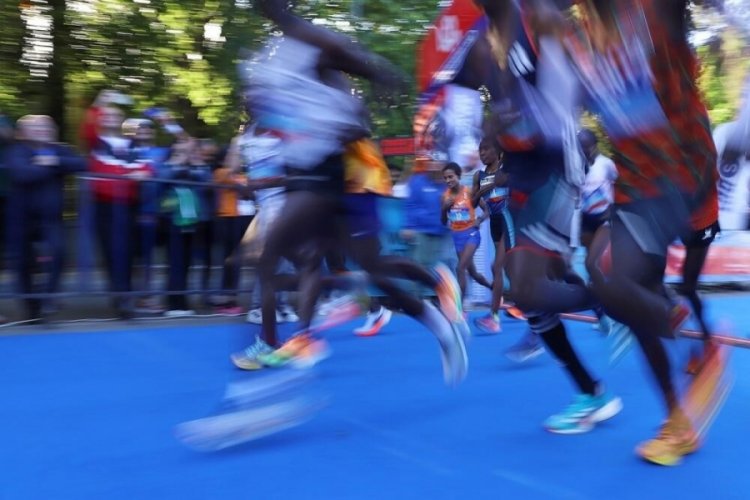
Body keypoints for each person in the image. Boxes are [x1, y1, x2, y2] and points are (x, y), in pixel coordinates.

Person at [233, 0, 467, 384]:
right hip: (314, 179)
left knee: (270, 254)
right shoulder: (277, 54)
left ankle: (273, 344)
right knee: (368, 269)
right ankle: (440, 328)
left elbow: (353, 72)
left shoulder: (309, 39)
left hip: (337, 177)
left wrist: (383, 77)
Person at [571, 0, 729, 465]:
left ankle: (697, 341)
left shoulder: (648, 10)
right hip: (637, 185)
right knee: (620, 290)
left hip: (685, 173)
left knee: (624, 281)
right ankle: (678, 421)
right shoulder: (576, 40)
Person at [5, 115, 86, 320]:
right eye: (36, 127)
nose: (43, 129)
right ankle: (32, 308)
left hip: (51, 217)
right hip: (20, 218)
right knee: (23, 263)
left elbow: (82, 163)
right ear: (23, 133)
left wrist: (53, 160)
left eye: (47, 126)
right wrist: (52, 167)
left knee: (59, 254)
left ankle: (48, 298)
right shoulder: (17, 151)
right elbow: (22, 174)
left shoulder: (59, 150)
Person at [89, 106, 153, 319]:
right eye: (107, 115)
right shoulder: (97, 142)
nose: (112, 118)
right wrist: (99, 104)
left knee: (126, 251)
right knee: (111, 251)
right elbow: (107, 172)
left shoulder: (131, 144)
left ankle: (125, 297)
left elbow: (147, 168)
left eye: (116, 114)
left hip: (128, 205)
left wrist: (137, 173)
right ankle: (120, 296)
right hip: (105, 205)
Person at [472, 137, 514, 333]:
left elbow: (512, 187)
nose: (482, 154)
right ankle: (522, 304)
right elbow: (472, 202)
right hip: (494, 223)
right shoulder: (478, 175)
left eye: (486, 150)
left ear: (497, 152)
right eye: (480, 150)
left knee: (498, 267)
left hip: (509, 219)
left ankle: (494, 317)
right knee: (504, 267)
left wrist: (487, 189)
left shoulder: (506, 169)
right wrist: (481, 195)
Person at [441, 162, 493, 305]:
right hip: (457, 237)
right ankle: (494, 288)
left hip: (471, 234)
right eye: (445, 178)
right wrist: (444, 209)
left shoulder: (469, 192)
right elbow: (443, 221)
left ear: (458, 176)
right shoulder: (445, 197)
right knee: (473, 274)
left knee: (460, 268)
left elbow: (487, 210)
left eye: (451, 177)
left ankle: (460, 306)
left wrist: (480, 220)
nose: (448, 181)